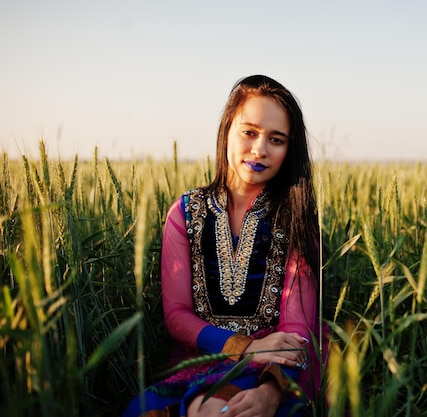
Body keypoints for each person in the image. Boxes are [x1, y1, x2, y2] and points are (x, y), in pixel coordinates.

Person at [121, 75, 322, 417]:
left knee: (217, 409)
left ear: (289, 150)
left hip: (275, 365)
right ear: (226, 129)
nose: (259, 149)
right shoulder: (185, 212)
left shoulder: (296, 217)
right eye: (249, 132)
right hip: (202, 357)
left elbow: (297, 330)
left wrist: (272, 392)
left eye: (276, 139)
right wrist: (244, 347)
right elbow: (177, 315)